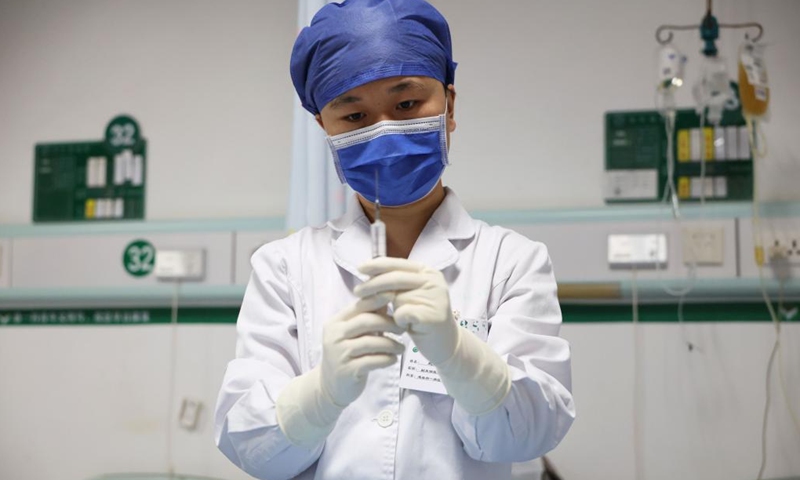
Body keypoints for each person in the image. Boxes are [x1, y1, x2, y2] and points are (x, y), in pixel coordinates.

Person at [214, 1, 575, 478]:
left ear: (449, 106)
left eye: (407, 104)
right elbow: (252, 449)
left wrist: (460, 355)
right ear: (324, 127)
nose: (384, 130)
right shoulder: (284, 266)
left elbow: (529, 434)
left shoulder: (511, 262)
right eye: (354, 117)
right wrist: (320, 395)